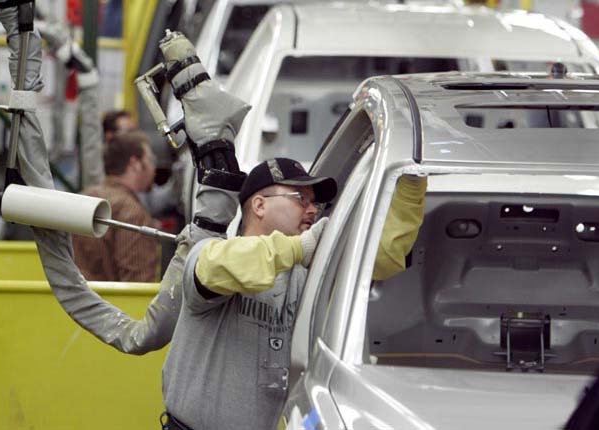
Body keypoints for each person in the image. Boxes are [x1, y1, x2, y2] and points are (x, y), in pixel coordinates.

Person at [161, 158, 427, 430]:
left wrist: (412, 181)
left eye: (316, 203)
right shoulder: (211, 252)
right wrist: (301, 247)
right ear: (259, 205)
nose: (313, 210)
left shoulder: (304, 275)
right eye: (301, 198)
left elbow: (379, 257)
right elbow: (218, 267)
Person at [72, 131, 160, 282]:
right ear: (135, 164)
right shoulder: (133, 214)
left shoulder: (83, 199)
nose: (153, 168)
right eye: (150, 160)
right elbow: (138, 284)